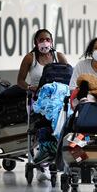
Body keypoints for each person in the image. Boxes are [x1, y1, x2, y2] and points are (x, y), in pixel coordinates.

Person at [17, 28, 68, 181]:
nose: (45, 42)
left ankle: (57, 154)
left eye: (47, 39)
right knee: (40, 124)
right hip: (37, 98)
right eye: (41, 40)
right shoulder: (29, 58)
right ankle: (41, 165)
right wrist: (29, 87)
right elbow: (20, 81)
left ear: (52, 42)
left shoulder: (59, 57)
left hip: (57, 100)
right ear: (36, 42)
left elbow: (70, 76)